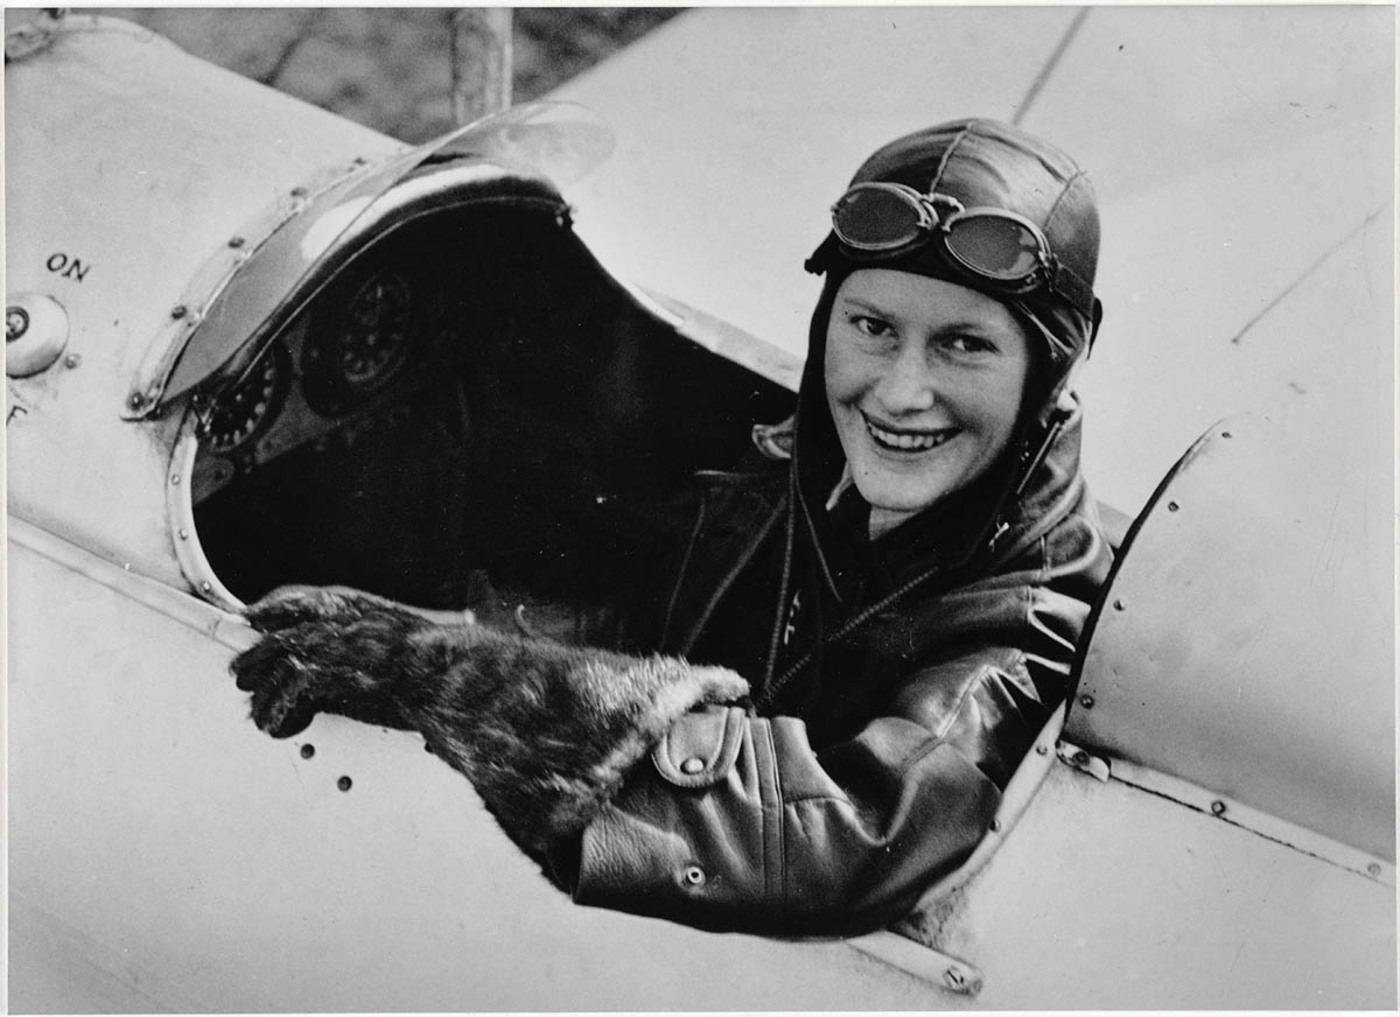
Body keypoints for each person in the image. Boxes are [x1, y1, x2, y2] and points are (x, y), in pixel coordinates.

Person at [232, 117, 1113, 938]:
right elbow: (664, 626)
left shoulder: (1028, 628)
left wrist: (446, 677)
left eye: (964, 344)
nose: (898, 390)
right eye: (873, 326)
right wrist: (442, 636)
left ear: (1051, 369)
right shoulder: (816, 479)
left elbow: (843, 833)